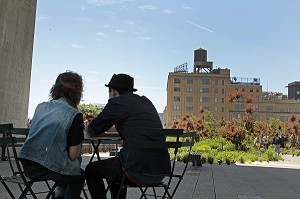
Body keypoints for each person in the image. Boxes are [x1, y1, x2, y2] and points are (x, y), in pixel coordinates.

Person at [85, 73, 170, 199]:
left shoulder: (117, 102)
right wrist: (103, 121)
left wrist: (90, 124)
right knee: (114, 170)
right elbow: (130, 126)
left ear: (113, 91)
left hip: (136, 172)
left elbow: (93, 129)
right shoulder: (146, 102)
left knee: (91, 170)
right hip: (160, 171)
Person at [18, 71, 85, 199]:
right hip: (49, 168)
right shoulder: (74, 115)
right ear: (78, 93)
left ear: (55, 88)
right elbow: (73, 155)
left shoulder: (40, 107)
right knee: (77, 175)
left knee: (66, 168)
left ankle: (60, 196)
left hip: (28, 166)